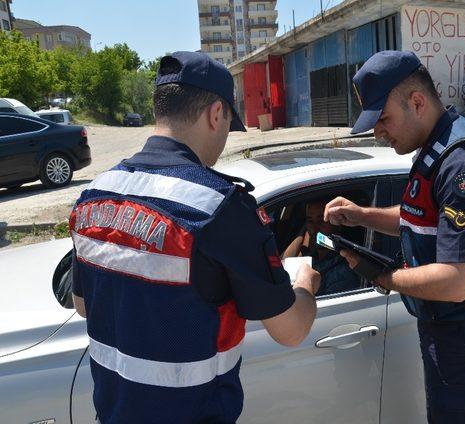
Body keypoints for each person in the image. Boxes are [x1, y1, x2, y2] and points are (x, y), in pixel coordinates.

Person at [70, 51, 320, 424]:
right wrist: (306, 286)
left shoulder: (96, 194)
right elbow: (291, 330)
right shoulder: (218, 208)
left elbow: (83, 304)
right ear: (215, 114)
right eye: (227, 125)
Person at [324, 51, 465, 423]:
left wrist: (381, 276)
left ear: (417, 102)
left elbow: (456, 281)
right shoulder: (436, 146)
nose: (378, 132)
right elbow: (421, 219)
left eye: (383, 119)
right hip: (448, 330)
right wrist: (361, 215)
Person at [282, 199, 361, 296]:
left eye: (321, 220)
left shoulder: (342, 272)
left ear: (338, 225)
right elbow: (283, 267)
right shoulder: (311, 256)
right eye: (310, 221)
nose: (314, 228)